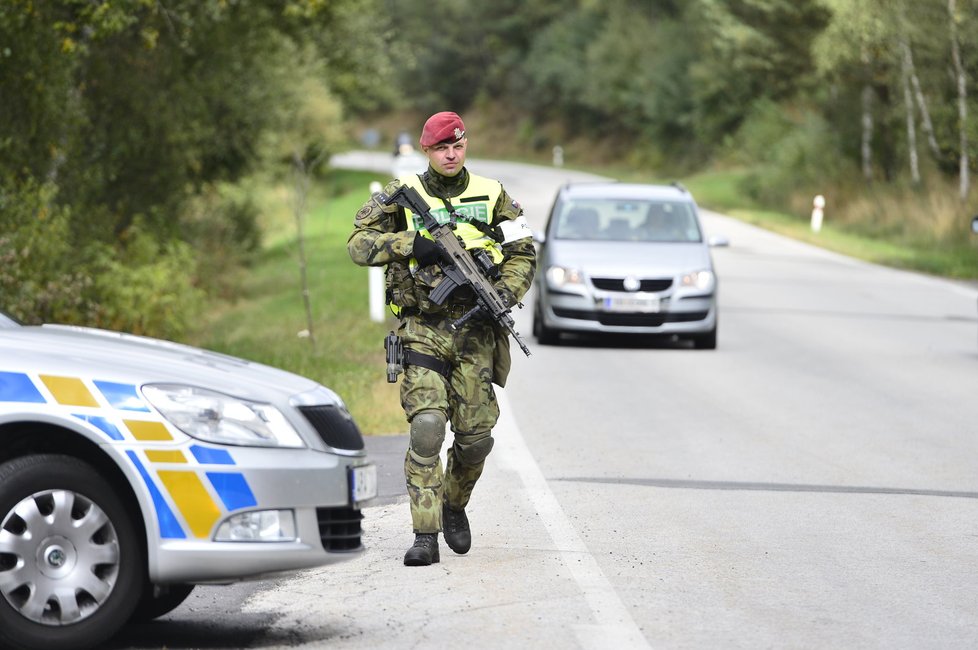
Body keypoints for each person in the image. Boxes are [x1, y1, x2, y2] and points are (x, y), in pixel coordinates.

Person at [347, 112, 536, 566]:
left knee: (475, 440)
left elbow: (523, 251)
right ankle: (424, 535)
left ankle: (454, 504)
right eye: (441, 148)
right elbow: (357, 244)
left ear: (465, 144)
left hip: (477, 330)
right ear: (427, 151)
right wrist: (413, 244)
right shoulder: (402, 195)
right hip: (423, 327)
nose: (451, 154)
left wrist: (503, 292)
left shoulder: (493, 195)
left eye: (458, 145)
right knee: (427, 427)